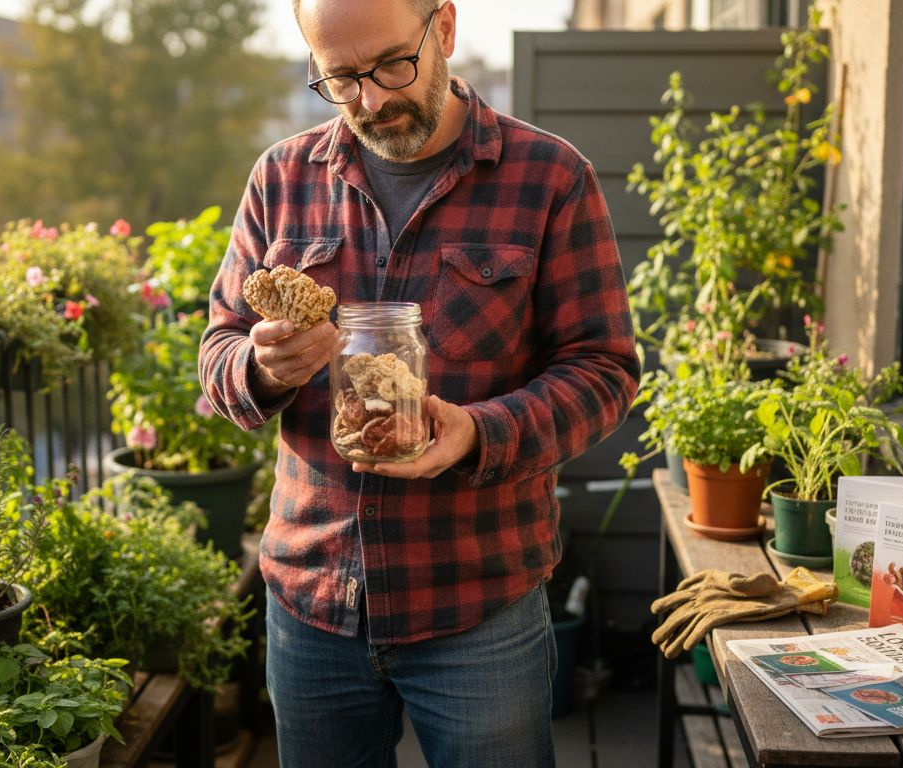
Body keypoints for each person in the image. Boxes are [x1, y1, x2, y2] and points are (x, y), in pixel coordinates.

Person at [198, 1, 640, 765]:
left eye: (390, 65)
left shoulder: (550, 178)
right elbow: (218, 356)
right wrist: (260, 367)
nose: (371, 99)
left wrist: (477, 433)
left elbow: (604, 371)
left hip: (477, 606)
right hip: (312, 605)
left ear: (444, 29)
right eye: (339, 78)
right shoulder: (281, 177)